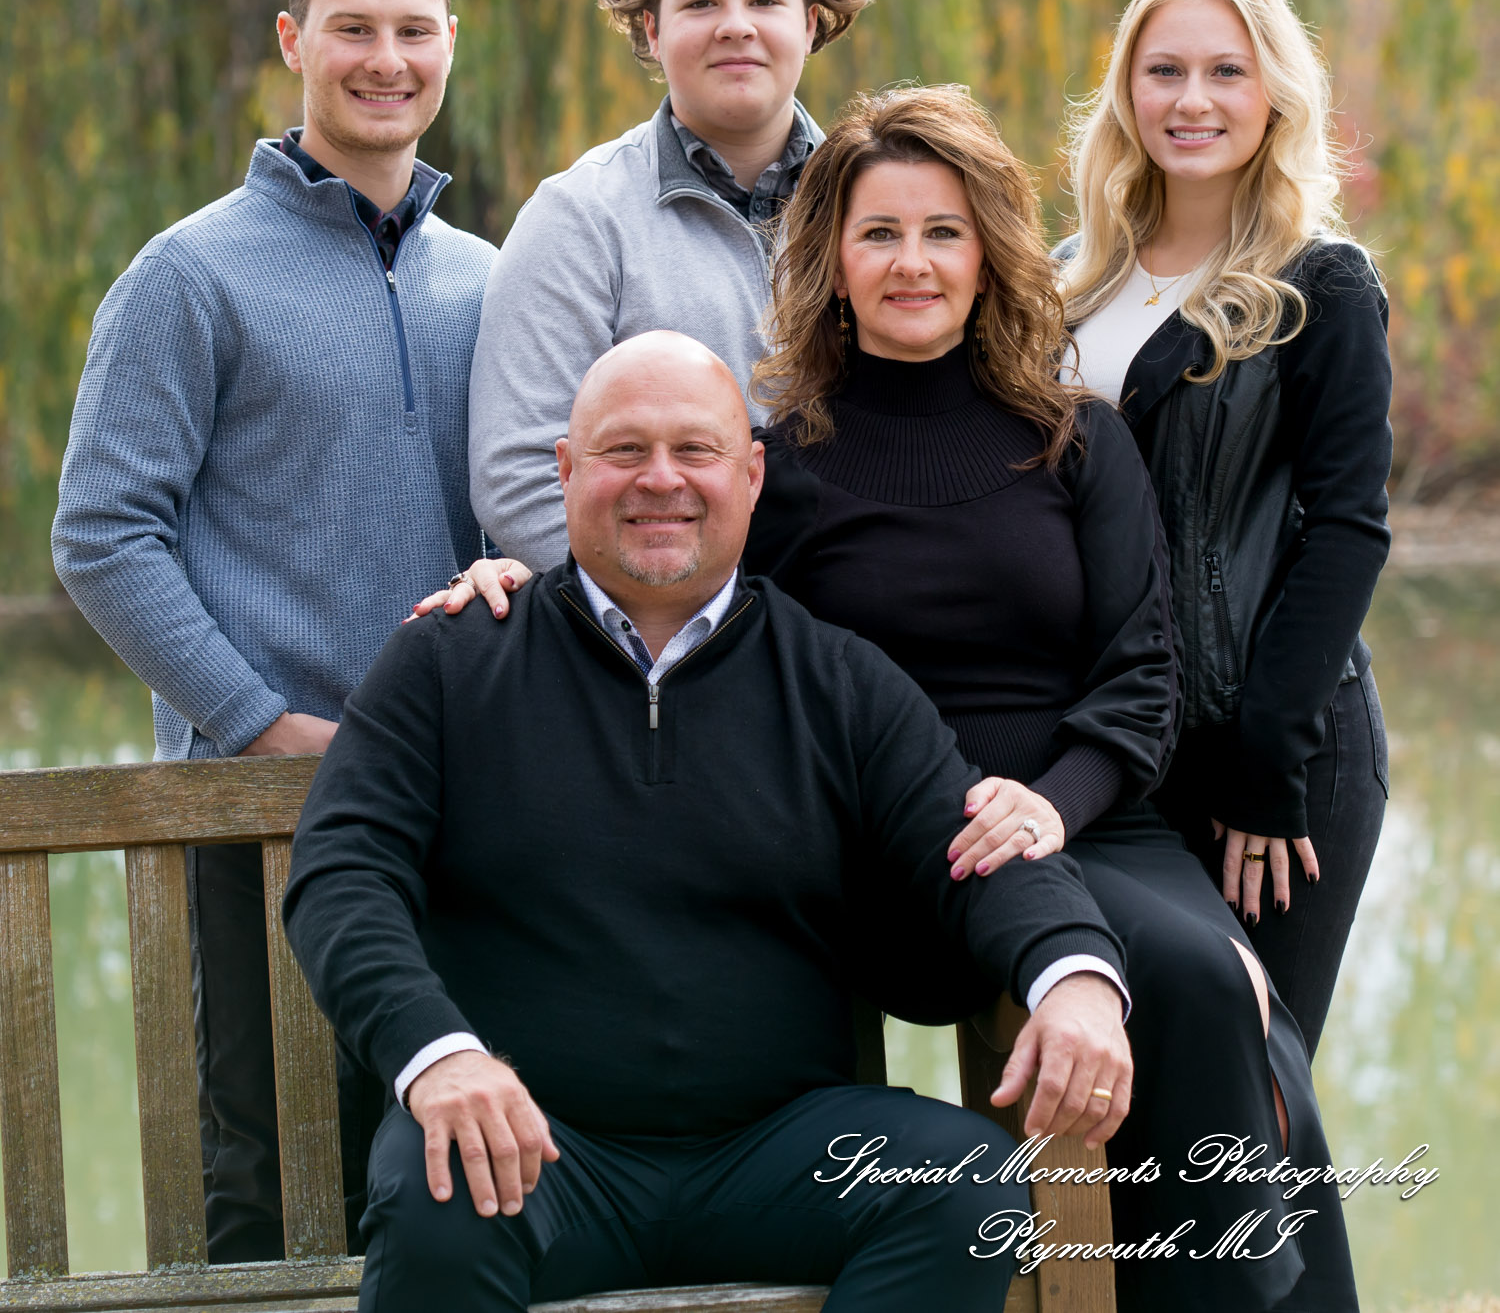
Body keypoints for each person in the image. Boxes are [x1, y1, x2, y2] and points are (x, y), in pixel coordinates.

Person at [435, 90, 1362, 1312]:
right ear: (831, 260)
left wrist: (1048, 806)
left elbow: (1144, 680)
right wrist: (520, 585)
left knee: (1205, 980)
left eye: (943, 231)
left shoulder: (1076, 437)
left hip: (1076, 819)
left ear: (987, 253)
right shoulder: (787, 460)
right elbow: (666, 602)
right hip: (878, 846)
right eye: (880, 233)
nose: (912, 262)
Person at [283, 332, 1135, 1313]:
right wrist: (439, 1057)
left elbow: (979, 845)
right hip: (535, 1153)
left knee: (961, 1185)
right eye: (623, 450)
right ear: (565, 470)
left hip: (777, 1152)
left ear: (751, 473)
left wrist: (1072, 977)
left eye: (695, 450)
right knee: (438, 1186)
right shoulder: (450, 662)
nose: (661, 481)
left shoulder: (837, 678)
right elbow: (342, 873)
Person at [51, 0, 503, 1261]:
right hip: (260, 812)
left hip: (461, 802)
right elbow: (103, 536)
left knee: (446, 1168)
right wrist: (262, 723)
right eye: (354, 28)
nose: (386, 57)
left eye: (413, 29)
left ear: (447, 47)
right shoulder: (189, 275)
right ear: (296, 42)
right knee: (263, 1185)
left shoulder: (486, 279)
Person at [1060, 0, 1392, 1057]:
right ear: (1126, 91)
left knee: (1257, 1089)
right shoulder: (1070, 278)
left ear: (1275, 95)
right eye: (1164, 71)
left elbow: (1347, 530)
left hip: (1270, 749)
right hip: (1114, 753)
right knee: (1132, 1090)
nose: (1192, 100)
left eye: (1226, 72)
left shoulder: (1320, 282)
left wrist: (1266, 766)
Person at [467, 0, 879, 569]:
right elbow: (518, 475)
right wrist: (690, 628)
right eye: (701, 2)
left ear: (809, 24)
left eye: (764, 0)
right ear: (653, 30)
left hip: (871, 623)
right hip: (668, 651)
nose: (736, 24)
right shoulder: (579, 220)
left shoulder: (877, 205)